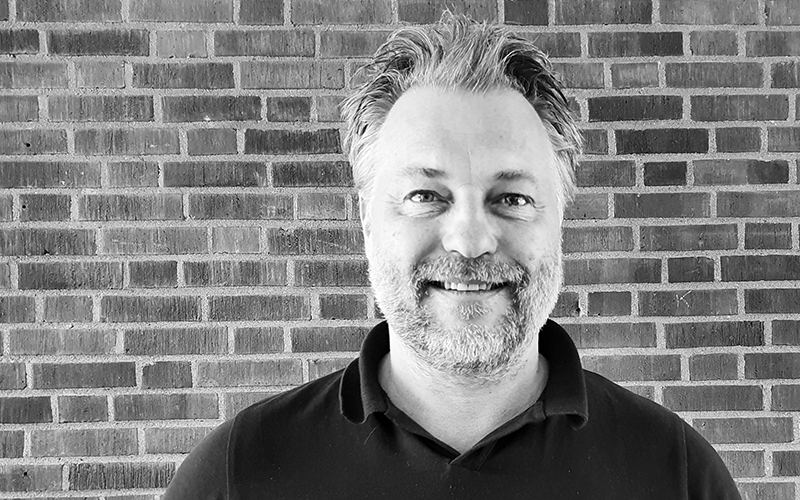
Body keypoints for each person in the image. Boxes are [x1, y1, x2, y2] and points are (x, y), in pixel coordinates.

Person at [163, 13, 741, 499]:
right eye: (425, 196)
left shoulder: (677, 474)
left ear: (560, 218)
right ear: (367, 222)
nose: (470, 240)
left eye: (511, 197)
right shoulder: (236, 477)